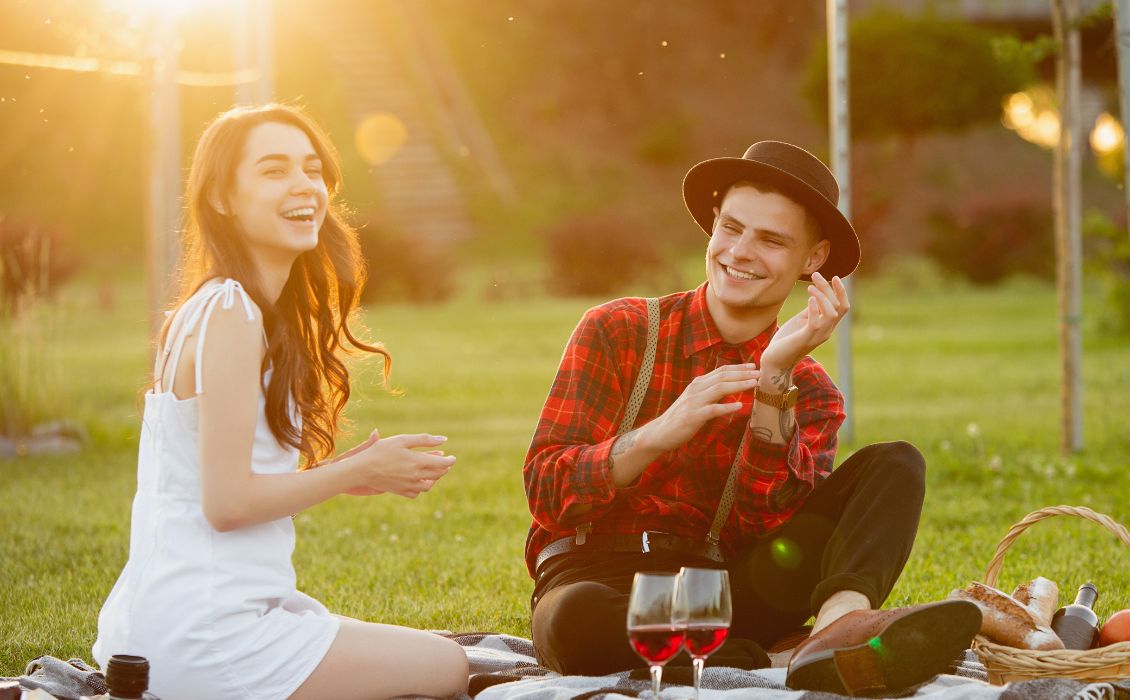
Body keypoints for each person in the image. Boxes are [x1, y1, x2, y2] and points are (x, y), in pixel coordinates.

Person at [523, 141, 981, 696]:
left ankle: (837, 629)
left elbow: (766, 535)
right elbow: (548, 493)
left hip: (725, 590)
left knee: (896, 463)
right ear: (712, 227)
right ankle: (755, 655)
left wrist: (773, 380)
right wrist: (658, 433)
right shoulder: (618, 330)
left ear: (812, 259)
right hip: (594, 577)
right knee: (578, 619)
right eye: (731, 228)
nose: (740, 252)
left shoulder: (810, 389)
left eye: (771, 240)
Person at [93, 104, 468, 700]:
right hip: (205, 637)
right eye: (273, 171)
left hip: (159, 621)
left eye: (313, 169)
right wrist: (356, 470)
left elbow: (213, 482)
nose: (304, 186)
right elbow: (228, 503)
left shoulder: (216, 307)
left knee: (419, 656)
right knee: (447, 667)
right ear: (222, 198)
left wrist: (344, 476)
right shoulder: (232, 314)